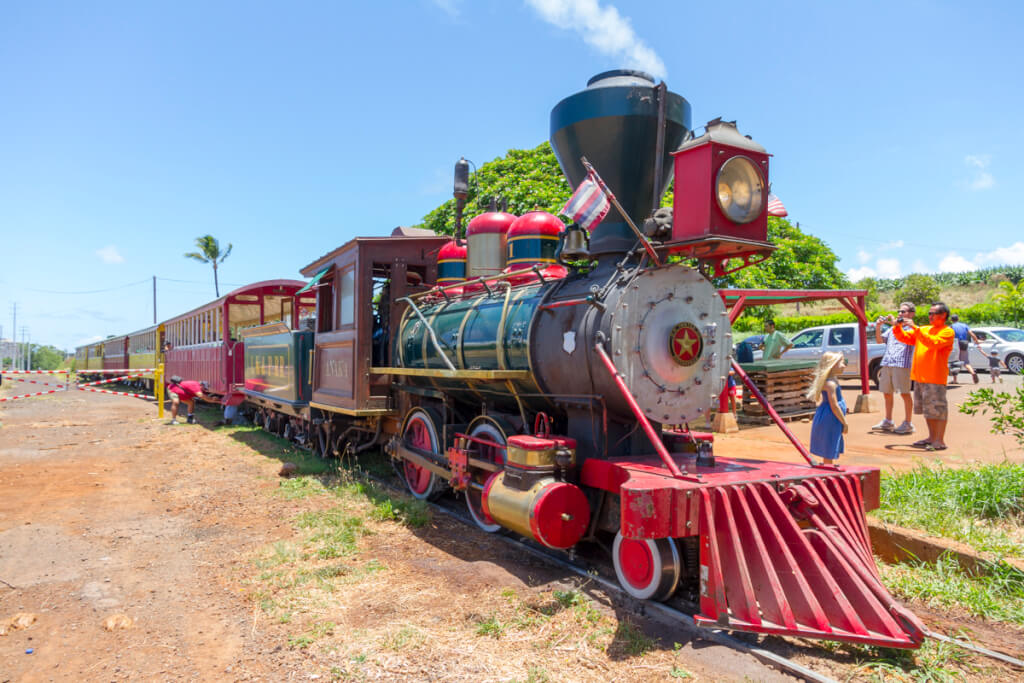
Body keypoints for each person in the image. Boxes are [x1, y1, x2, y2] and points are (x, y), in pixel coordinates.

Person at [891, 302, 956, 451]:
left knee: (938, 410)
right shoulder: (925, 329)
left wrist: (915, 328)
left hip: (934, 378)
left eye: (933, 314)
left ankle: (939, 440)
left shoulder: (947, 332)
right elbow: (905, 338)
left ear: (943, 316)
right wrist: (897, 326)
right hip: (920, 377)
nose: (930, 316)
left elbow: (933, 343)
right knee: (928, 411)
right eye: (929, 313)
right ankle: (932, 438)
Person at [872, 302, 916, 434]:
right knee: (887, 393)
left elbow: (913, 339)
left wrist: (895, 324)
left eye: (903, 311)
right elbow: (880, 340)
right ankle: (888, 421)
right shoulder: (891, 329)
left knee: (904, 393)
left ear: (911, 314)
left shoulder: (912, 328)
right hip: (888, 362)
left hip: (902, 364)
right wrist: (878, 326)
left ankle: (908, 423)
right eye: (899, 311)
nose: (900, 314)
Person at [806, 351, 848, 465]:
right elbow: (834, 406)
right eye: (842, 363)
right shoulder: (830, 384)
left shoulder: (833, 380)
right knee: (829, 443)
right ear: (833, 365)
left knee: (832, 440)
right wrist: (844, 423)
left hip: (832, 416)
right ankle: (828, 468)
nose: (844, 366)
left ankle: (828, 465)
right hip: (831, 417)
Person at [949, 315, 981, 384]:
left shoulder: (951, 326)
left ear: (951, 320)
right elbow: (971, 334)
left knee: (954, 362)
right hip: (964, 343)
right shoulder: (964, 325)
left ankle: (955, 380)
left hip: (956, 344)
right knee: (965, 362)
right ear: (958, 319)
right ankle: (972, 373)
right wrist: (976, 340)